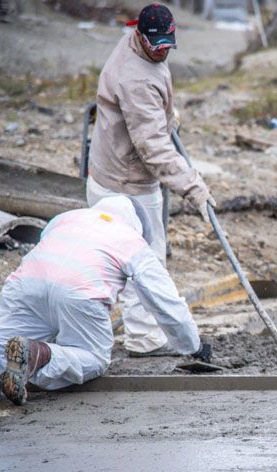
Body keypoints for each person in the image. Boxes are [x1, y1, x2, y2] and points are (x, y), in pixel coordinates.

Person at [0, 197, 205, 405]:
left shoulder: (66, 219)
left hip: (26, 285)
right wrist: (192, 345)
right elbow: (165, 302)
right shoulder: (133, 241)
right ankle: (38, 355)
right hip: (80, 292)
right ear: (137, 227)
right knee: (93, 357)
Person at [88, 3, 215, 356]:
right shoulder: (137, 78)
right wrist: (193, 187)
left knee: (127, 258)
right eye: (155, 44)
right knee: (145, 262)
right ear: (140, 35)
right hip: (127, 184)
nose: (161, 50)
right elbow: (154, 149)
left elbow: (148, 109)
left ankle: (140, 331)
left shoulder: (136, 45)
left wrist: (165, 114)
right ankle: (144, 338)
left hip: (112, 170)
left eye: (166, 44)